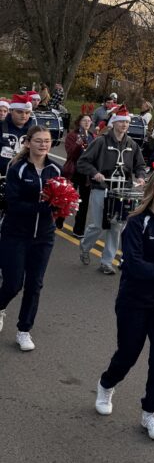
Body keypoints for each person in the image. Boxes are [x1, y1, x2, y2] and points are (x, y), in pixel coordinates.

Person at [94, 167, 154, 440]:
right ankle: (106, 384)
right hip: (134, 301)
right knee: (128, 354)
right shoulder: (137, 221)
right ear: (153, 187)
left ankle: (150, 411)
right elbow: (133, 265)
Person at [0, 126, 61, 350]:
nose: (43, 144)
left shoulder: (56, 169)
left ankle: (24, 330)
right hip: (15, 234)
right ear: (28, 142)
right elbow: (13, 204)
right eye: (38, 140)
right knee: (13, 283)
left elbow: (62, 197)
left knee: (35, 285)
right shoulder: (17, 168)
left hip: (43, 237)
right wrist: (43, 207)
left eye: (47, 141)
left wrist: (62, 207)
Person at [77, 105, 147, 275]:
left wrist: (140, 176)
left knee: (116, 227)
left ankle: (106, 262)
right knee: (98, 226)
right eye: (121, 121)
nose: (124, 125)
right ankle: (85, 246)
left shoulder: (132, 144)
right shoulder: (100, 141)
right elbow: (83, 162)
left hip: (122, 192)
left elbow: (140, 165)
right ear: (114, 123)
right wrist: (95, 173)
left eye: (127, 122)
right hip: (102, 188)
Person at [63, 113, 95, 238]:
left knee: (84, 203)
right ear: (79, 122)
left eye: (89, 121)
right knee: (66, 199)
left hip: (86, 173)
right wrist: (77, 144)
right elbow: (70, 154)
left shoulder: (92, 136)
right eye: (84, 120)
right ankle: (59, 220)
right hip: (73, 171)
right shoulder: (72, 135)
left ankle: (79, 230)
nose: (87, 122)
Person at [0, 93, 34, 176]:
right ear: (11, 111)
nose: (24, 115)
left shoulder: (34, 131)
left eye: (27, 112)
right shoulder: (1, 127)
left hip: (24, 175)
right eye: (19, 112)